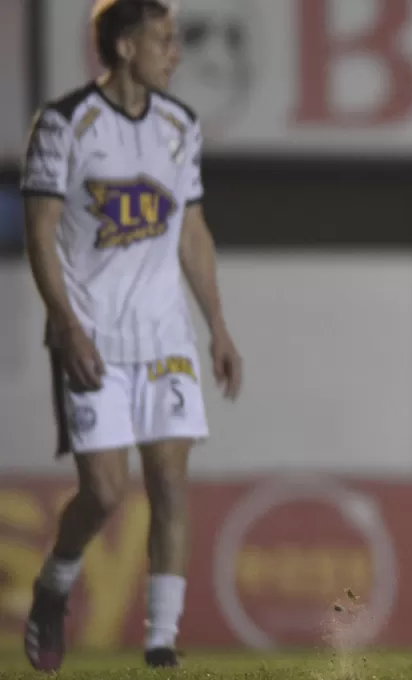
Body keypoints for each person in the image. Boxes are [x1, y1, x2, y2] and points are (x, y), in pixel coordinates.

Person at [20, 0, 242, 670]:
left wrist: (218, 326)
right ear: (122, 47)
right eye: (164, 40)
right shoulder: (65, 124)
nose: (175, 53)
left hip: (164, 335)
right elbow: (39, 233)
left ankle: (160, 641)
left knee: (171, 483)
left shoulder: (180, 125)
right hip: (92, 337)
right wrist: (64, 323)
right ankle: (55, 584)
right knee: (106, 494)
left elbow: (192, 233)